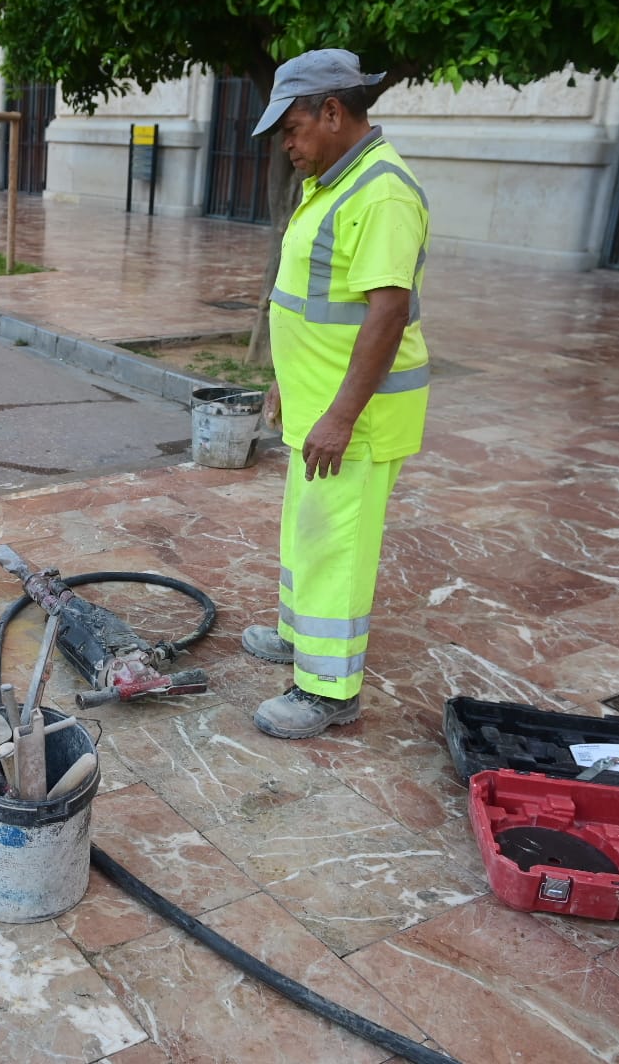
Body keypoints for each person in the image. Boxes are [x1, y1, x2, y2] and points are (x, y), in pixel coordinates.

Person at [238, 49, 431, 739]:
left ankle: (328, 690)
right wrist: (287, 382)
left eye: (292, 128)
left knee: (337, 544)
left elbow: (385, 312)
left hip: (358, 417)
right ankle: (300, 635)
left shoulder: (380, 192)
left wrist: (342, 415)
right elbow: (312, 300)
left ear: (332, 111)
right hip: (319, 404)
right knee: (307, 528)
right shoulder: (331, 181)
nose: (287, 144)